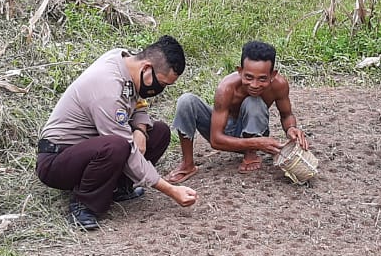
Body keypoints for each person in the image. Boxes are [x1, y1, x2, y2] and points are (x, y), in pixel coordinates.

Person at [36, 36, 198, 230]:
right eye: (162, 84)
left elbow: (138, 102)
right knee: (116, 146)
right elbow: (127, 150)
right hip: (57, 160)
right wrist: (171, 190)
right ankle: (84, 205)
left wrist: (140, 129)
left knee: (160, 132)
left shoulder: (126, 62)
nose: (160, 89)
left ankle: (119, 188)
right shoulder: (107, 89)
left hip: (91, 147)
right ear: (146, 68)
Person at [164, 40, 307, 182]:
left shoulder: (279, 85)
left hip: (254, 133)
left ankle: (250, 155)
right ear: (240, 71)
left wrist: (291, 128)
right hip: (224, 135)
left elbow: (286, 115)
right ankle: (187, 164)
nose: (255, 85)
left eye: (262, 79)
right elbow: (216, 140)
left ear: (273, 75)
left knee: (254, 101)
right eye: (249, 77)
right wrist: (258, 143)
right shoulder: (226, 88)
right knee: (186, 101)